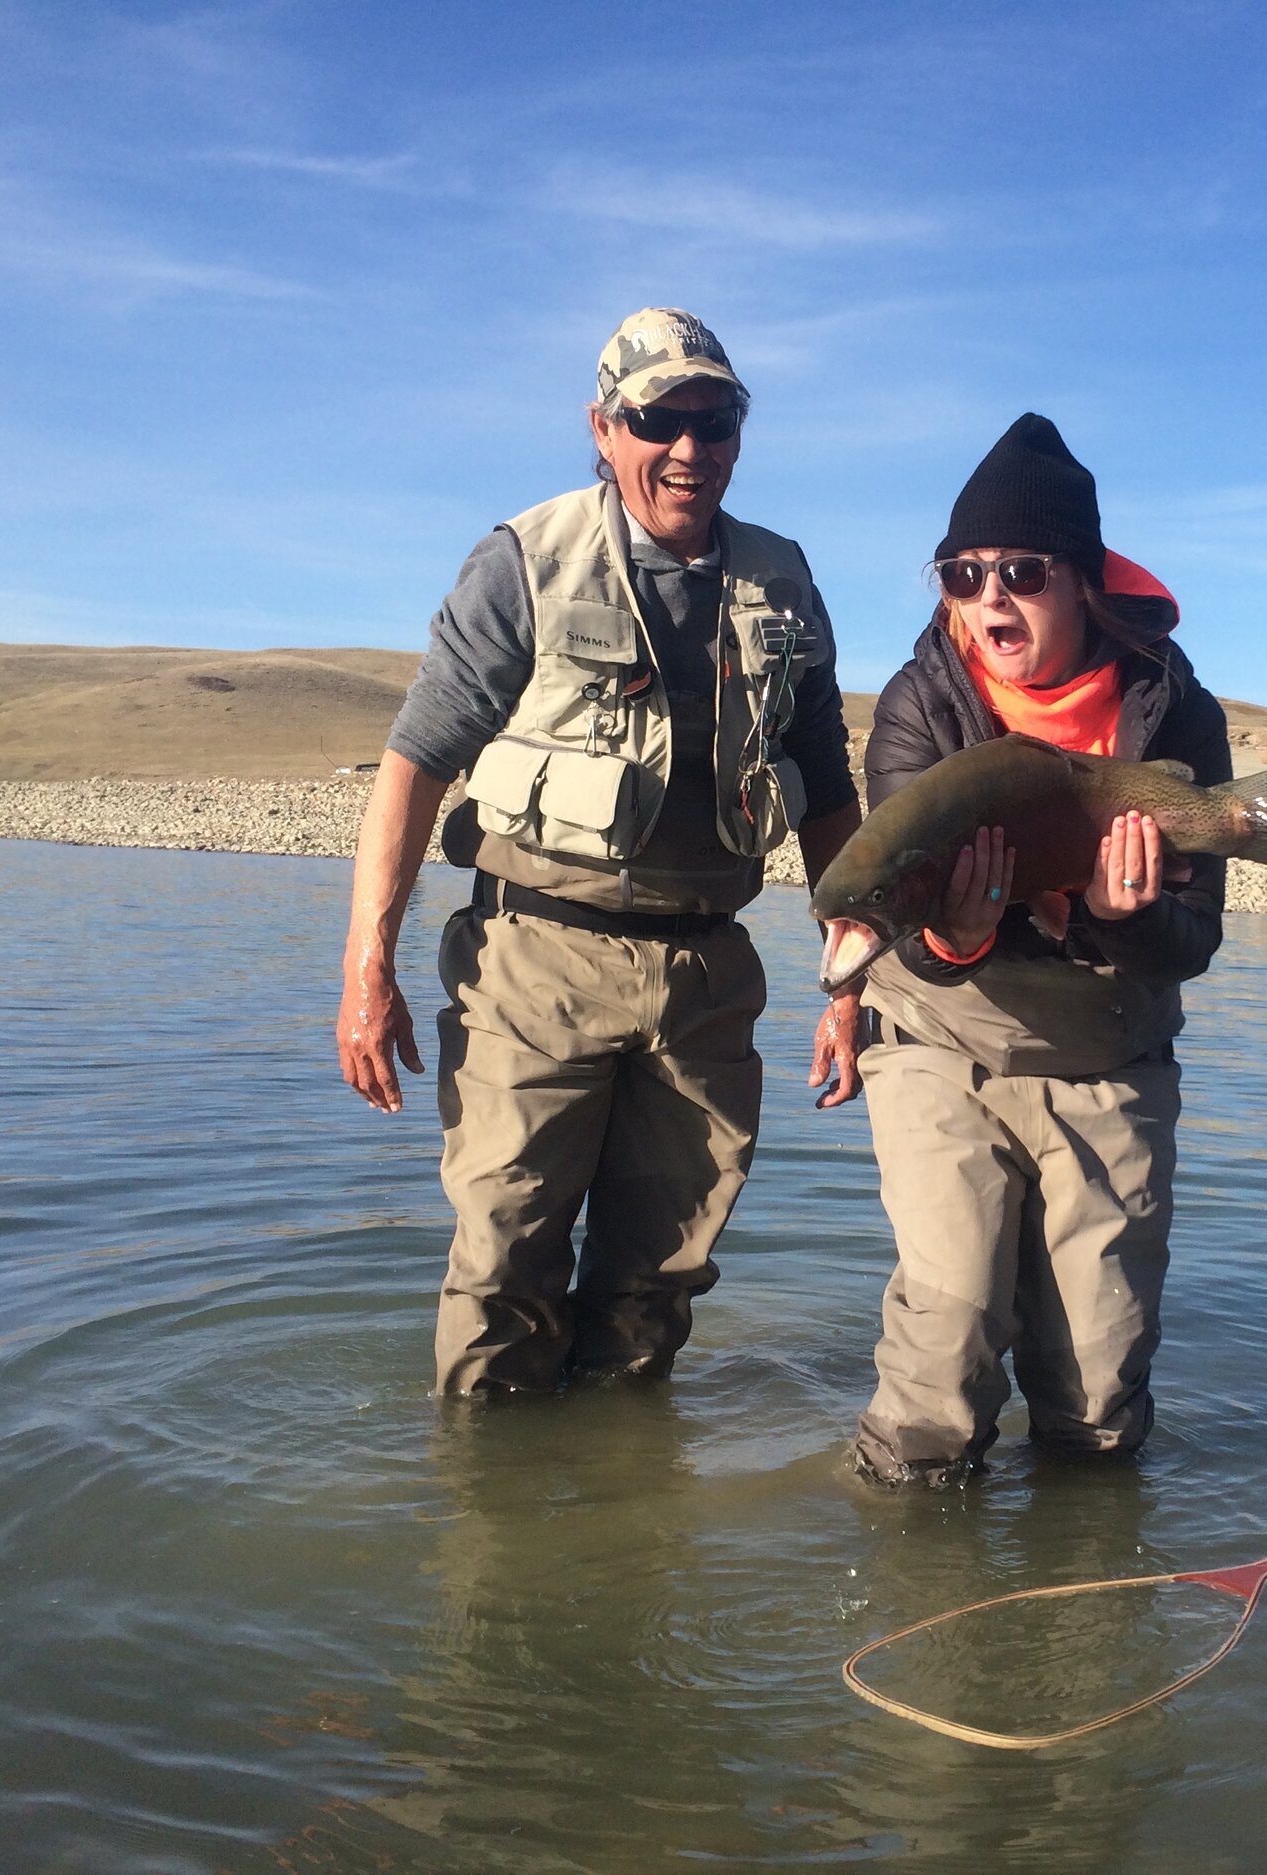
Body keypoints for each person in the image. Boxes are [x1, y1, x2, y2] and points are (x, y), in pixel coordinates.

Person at [337, 307, 862, 1394]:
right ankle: (489, 1529)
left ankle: (621, 1532)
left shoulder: (785, 578)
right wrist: (365, 972)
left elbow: (827, 792)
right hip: (535, 961)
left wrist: (852, 982)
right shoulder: (522, 560)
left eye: (715, 419)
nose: (689, 447)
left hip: (710, 975)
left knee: (657, 1285)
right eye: (659, 418)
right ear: (603, 426)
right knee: (504, 1268)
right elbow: (413, 764)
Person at [817, 413, 1229, 1486]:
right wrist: (950, 941)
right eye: (962, 573)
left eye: (1022, 570)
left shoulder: (1174, 709)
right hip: (942, 1040)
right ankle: (905, 1582)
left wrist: (1124, 915)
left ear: (1083, 581)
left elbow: (1192, 945)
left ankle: (1084, 1609)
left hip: (1110, 1056)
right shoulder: (921, 703)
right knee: (942, 1367)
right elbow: (903, 890)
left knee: (1097, 1399)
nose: (988, 596)